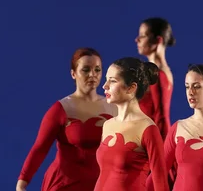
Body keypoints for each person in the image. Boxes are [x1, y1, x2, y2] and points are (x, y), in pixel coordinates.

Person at [16, 47, 117, 191]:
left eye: (97, 70)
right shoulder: (61, 109)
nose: (92, 75)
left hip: (100, 185)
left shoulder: (114, 107)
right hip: (64, 185)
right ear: (73, 74)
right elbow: (39, 149)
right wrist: (21, 183)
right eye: (86, 70)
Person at [94, 57, 169, 191]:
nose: (104, 86)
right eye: (106, 79)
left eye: (112, 81)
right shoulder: (108, 125)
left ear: (131, 88)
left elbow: (161, 184)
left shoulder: (148, 129)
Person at [135, 17, 175, 140]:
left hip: (152, 142)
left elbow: (161, 115)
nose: (137, 40)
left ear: (158, 40)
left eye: (143, 35)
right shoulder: (161, 71)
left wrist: (162, 152)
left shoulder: (157, 73)